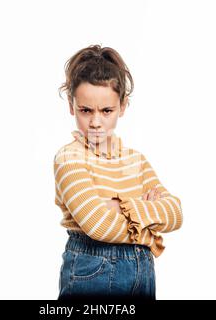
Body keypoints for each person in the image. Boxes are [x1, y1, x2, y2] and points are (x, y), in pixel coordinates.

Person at [54, 44, 183, 300]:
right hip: (92, 269)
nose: (95, 122)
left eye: (107, 111)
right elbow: (97, 224)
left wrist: (116, 205)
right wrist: (145, 221)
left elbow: (175, 213)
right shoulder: (70, 158)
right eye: (85, 110)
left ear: (122, 107)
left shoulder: (135, 161)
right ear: (72, 105)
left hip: (142, 271)